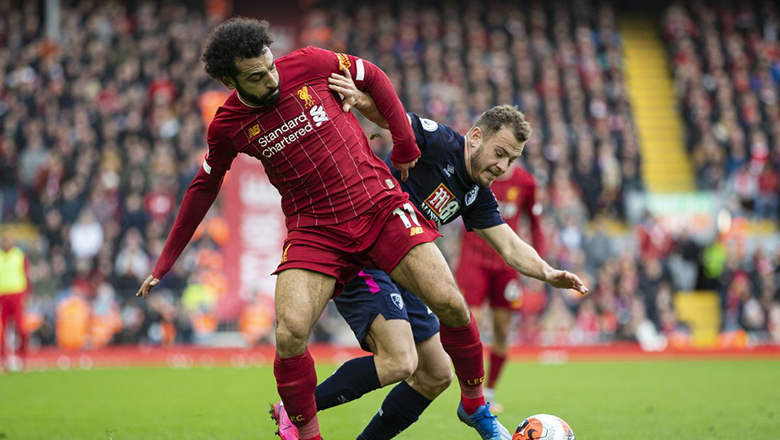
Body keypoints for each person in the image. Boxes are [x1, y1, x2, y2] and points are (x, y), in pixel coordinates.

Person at [135, 17, 543, 440]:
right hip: (314, 229)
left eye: (271, 65)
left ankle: (476, 407)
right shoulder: (227, 126)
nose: (272, 79)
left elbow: (374, 76)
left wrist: (403, 144)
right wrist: (165, 263)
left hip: (378, 207)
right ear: (229, 79)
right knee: (291, 332)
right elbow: (203, 187)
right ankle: (304, 429)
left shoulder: (311, 63)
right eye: (257, 77)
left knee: (449, 312)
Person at [270, 72, 587, 440]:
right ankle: (296, 409)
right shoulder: (441, 142)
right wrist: (360, 99)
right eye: (499, 153)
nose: (502, 167)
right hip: (364, 255)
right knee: (399, 361)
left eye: (511, 160)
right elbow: (394, 119)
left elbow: (510, 245)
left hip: (406, 268)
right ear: (476, 137)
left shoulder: (476, 194)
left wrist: (548, 272)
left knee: (436, 374)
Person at [455, 163, 544, 413]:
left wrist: (540, 265)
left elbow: (535, 225)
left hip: (507, 264)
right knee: (472, 323)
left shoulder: (526, 183)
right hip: (473, 259)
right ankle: (472, 392)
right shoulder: (476, 172)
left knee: (503, 329)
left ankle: (490, 393)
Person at [0, 230, 31, 372]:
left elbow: (26, 274)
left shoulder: (19, 255)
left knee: (20, 328)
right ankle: (3, 360)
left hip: (17, 294)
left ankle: (22, 358)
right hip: (2, 295)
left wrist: (27, 294)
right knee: (2, 330)